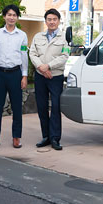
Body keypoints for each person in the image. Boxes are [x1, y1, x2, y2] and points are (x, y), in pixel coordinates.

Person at [0, 5, 29, 150]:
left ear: (17, 17)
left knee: (17, 107)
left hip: (16, 74)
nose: (11, 17)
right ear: (4, 16)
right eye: (9, 15)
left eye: (14, 15)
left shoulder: (22, 35)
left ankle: (16, 137)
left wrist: (24, 76)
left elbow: (24, 55)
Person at [29, 9, 69, 150]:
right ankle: (45, 136)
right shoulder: (38, 36)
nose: (51, 22)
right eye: (49, 19)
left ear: (58, 21)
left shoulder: (63, 38)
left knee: (56, 107)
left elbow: (64, 56)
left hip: (55, 77)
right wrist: (41, 67)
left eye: (54, 19)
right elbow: (32, 53)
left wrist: (48, 66)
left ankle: (55, 138)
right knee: (42, 106)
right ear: (45, 21)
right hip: (40, 76)